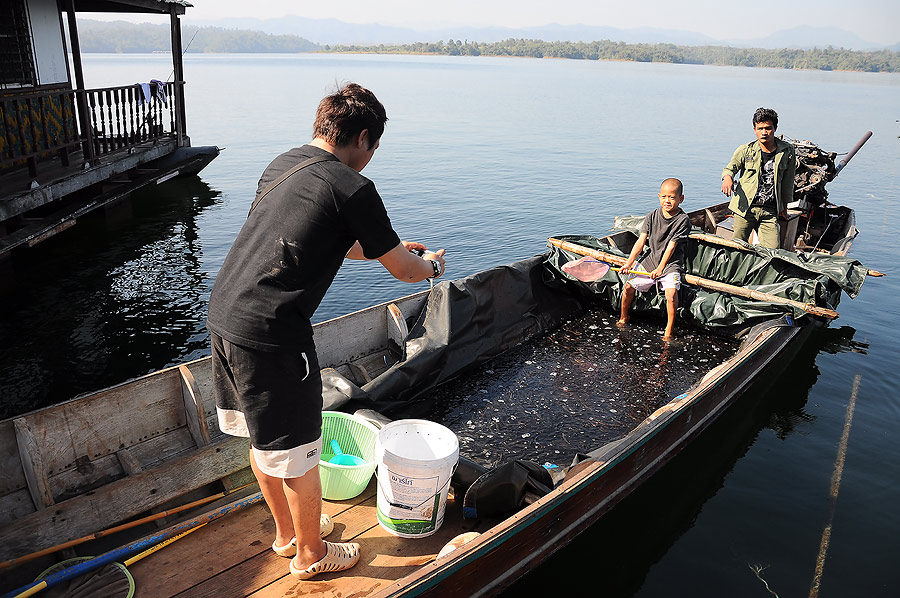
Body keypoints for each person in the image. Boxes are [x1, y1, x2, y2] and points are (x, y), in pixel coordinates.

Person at [205, 83, 447, 580]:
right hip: (273, 333)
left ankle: (288, 535)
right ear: (362, 137)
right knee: (298, 450)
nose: (370, 159)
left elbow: (328, 240)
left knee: (264, 440)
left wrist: (388, 247)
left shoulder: (283, 164)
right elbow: (404, 272)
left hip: (226, 316)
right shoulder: (352, 186)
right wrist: (430, 267)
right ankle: (312, 555)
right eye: (373, 148)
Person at [616, 178, 691, 341]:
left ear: (681, 198)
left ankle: (669, 330)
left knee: (671, 294)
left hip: (671, 264)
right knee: (628, 286)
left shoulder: (683, 220)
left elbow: (671, 247)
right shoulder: (652, 215)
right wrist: (629, 263)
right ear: (659, 196)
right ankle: (623, 317)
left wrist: (660, 269)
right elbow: (641, 241)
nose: (667, 201)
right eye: (664, 197)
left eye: (672, 197)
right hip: (650, 259)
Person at [720, 107, 796, 249]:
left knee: (772, 250)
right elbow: (730, 168)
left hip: (770, 211)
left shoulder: (787, 151)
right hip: (745, 209)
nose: (764, 132)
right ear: (754, 129)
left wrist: (784, 207)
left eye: (768, 128)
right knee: (736, 248)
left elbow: (788, 182)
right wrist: (727, 178)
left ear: (775, 128)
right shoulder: (745, 150)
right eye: (760, 128)